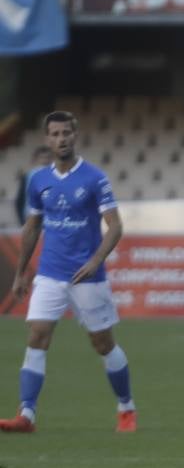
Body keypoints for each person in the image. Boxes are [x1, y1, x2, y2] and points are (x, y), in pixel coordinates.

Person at [1, 112, 136, 434]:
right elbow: (33, 226)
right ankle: (27, 415)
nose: (61, 139)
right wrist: (22, 273)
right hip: (50, 272)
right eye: (55, 134)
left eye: (66, 133)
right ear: (47, 139)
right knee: (36, 336)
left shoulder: (94, 178)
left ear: (75, 136)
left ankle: (126, 407)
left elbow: (115, 226)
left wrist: (95, 260)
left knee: (102, 343)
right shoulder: (39, 180)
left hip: (87, 277)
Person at [14, 144, 49, 226]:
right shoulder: (27, 177)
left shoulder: (56, 177)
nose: (45, 160)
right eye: (42, 157)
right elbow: (19, 200)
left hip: (49, 221)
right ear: (36, 159)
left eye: (48, 157)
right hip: (30, 220)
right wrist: (22, 221)